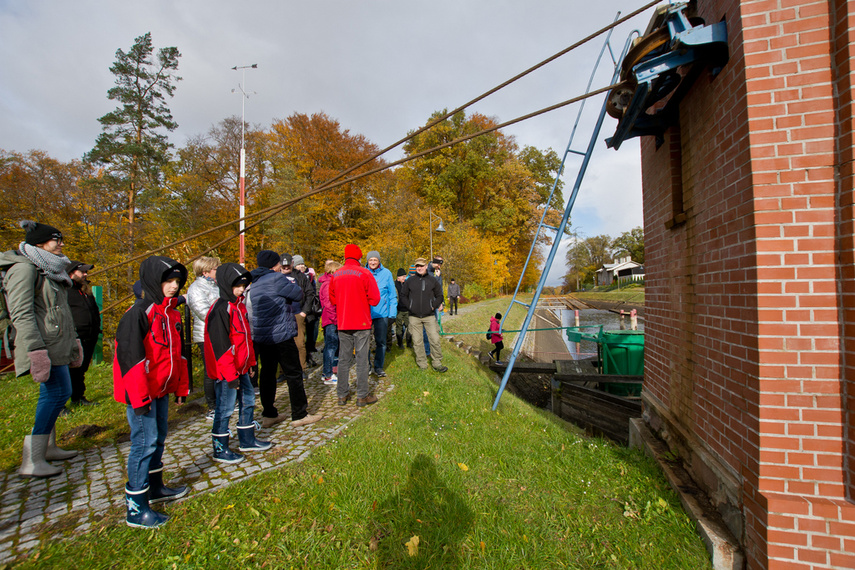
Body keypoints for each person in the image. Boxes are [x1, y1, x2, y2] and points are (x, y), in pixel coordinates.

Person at [113, 256, 190, 528]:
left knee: (158, 439)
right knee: (143, 444)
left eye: (177, 282)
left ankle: (155, 488)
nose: (173, 286)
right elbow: (130, 360)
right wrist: (139, 398)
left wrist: (180, 386)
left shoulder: (170, 313)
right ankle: (136, 507)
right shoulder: (138, 314)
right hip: (142, 394)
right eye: (167, 281)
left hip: (161, 391)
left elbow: (176, 355)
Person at [1, 221, 82, 478]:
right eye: (56, 240)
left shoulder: (49, 269)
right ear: (39, 243)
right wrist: (36, 350)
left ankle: (48, 447)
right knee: (58, 394)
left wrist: (74, 340)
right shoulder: (25, 270)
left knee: (55, 394)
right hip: (43, 344)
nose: (61, 244)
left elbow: (60, 311)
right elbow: (22, 314)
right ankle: (32, 459)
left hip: (57, 342)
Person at [204, 263, 271, 464]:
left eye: (243, 285)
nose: (241, 289)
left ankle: (247, 438)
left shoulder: (239, 306)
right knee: (224, 409)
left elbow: (246, 339)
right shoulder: (221, 309)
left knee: (248, 402)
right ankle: (220, 447)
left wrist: (251, 363)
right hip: (228, 371)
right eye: (237, 285)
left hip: (242, 367)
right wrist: (230, 375)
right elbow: (221, 347)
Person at [248, 250, 322, 429]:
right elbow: (297, 294)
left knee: (267, 373)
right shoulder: (276, 278)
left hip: (263, 335)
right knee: (294, 373)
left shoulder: (255, 282)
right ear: (275, 264)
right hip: (281, 333)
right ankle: (299, 414)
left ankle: (268, 414)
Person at [329, 244, 381, 407]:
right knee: (361, 359)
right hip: (361, 321)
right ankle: (362, 396)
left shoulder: (336, 274)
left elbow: (332, 299)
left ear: (345, 257)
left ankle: (342, 395)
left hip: (343, 322)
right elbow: (375, 299)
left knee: (344, 359)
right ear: (359, 257)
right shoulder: (365, 273)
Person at [186, 256, 220, 420]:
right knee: (210, 371)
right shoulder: (196, 289)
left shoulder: (215, 285)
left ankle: (222, 400)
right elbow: (204, 312)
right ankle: (212, 406)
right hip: (205, 335)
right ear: (206, 271)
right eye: (215, 269)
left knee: (221, 368)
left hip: (220, 332)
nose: (217, 271)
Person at [400, 258, 448, 373]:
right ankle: (422, 364)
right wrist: (410, 306)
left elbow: (440, 295)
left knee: (435, 339)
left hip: (429, 316)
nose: (419, 268)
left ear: (426, 266)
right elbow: (403, 295)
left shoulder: (432, 280)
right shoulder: (410, 281)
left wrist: (433, 305)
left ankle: (437, 363)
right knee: (417, 341)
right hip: (414, 317)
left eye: (421, 266)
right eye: (417, 266)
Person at [66, 260, 101, 406]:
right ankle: (63, 401)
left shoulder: (85, 291)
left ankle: (78, 397)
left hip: (90, 335)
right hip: (76, 335)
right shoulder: (66, 291)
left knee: (82, 368)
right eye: (82, 272)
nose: (85, 274)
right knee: (72, 369)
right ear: (71, 273)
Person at [365, 250, 396, 378]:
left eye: (375, 260)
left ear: (379, 261)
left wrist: (392, 314)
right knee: (364, 342)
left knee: (381, 341)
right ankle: (366, 366)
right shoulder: (363, 273)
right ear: (367, 261)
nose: (372, 262)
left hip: (382, 313)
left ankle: (378, 366)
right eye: (370, 260)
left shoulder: (386, 273)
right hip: (365, 313)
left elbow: (392, 295)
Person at [318, 260, 340, 385]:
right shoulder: (328, 284)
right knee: (331, 346)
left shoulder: (330, 282)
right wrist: (335, 319)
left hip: (331, 318)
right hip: (331, 319)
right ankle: (327, 374)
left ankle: (328, 371)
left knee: (331, 346)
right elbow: (329, 304)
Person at [393, 268, 411, 348]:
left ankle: (409, 343)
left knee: (410, 327)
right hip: (398, 310)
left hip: (407, 310)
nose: (405, 278)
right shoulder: (394, 285)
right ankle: (400, 344)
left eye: (405, 276)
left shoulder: (407, 284)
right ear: (398, 277)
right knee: (399, 328)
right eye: (403, 276)